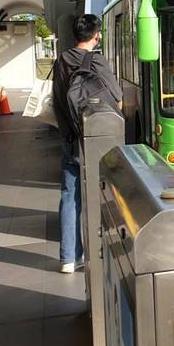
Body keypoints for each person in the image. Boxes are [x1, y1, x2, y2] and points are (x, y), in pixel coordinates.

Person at [53, 14, 122, 274]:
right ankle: (102, 251)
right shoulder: (97, 60)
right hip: (98, 140)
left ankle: (69, 258)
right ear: (96, 35)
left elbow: (58, 99)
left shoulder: (61, 60)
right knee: (103, 193)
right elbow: (117, 100)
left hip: (70, 138)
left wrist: (67, 131)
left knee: (70, 195)